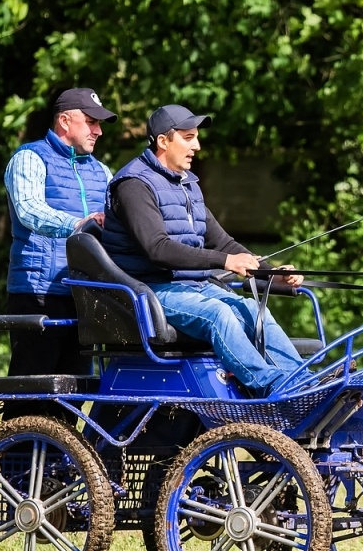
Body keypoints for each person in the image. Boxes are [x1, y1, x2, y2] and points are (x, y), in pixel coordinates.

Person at [100, 104, 308, 396]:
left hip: (192, 286)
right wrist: (225, 262)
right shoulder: (133, 185)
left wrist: (271, 273)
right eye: (188, 137)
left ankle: (304, 384)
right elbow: (157, 249)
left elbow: (222, 243)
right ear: (163, 141)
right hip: (149, 290)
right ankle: (272, 388)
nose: (196, 146)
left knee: (250, 309)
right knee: (218, 314)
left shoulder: (187, 185)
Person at [5, 87, 116, 376]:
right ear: (65, 121)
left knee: (73, 391)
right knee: (32, 392)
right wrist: (78, 224)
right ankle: (21, 426)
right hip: (38, 293)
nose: (98, 131)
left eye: (99, 124)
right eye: (91, 122)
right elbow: (29, 210)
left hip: (85, 294)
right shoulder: (30, 157)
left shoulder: (102, 171)